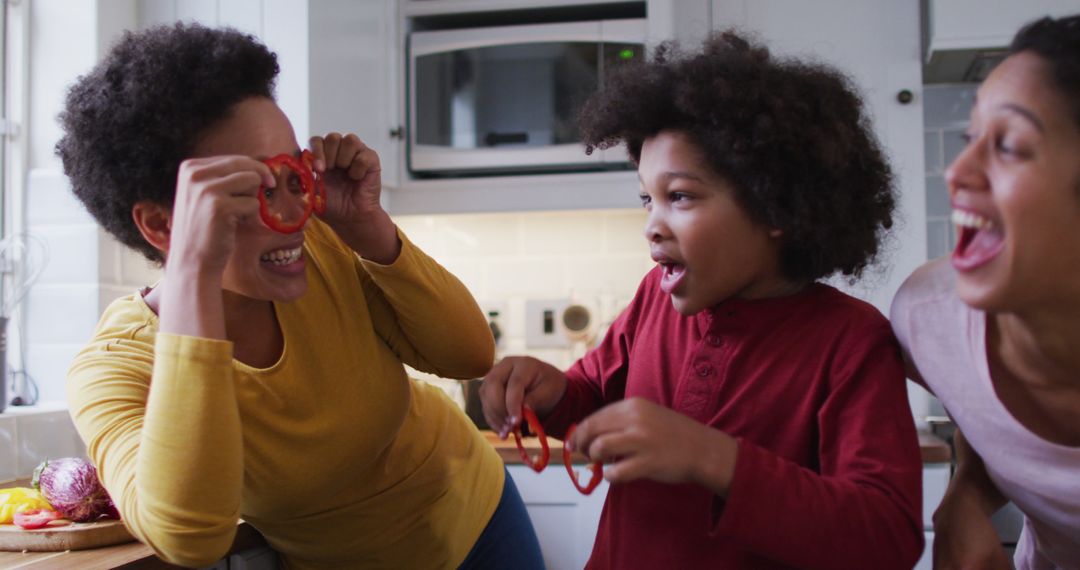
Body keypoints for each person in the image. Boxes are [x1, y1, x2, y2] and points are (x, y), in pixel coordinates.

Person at [57, 23, 542, 569]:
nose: (292, 217)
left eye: (293, 176)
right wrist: (194, 267)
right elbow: (189, 538)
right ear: (160, 223)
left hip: (480, 515)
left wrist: (367, 226)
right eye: (252, 191)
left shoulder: (325, 246)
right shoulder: (115, 369)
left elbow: (468, 356)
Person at [480, 31, 923, 569]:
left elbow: (886, 536)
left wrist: (712, 458)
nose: (651, 226)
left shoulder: (851, 341)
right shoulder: (654, 301)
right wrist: (549, 393)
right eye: (647, 198)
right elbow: (595, 398)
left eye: (680, 196)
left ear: (776, 206)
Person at [890, 14, 1080, 570]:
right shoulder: (930, 319)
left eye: (1012, 145)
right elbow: (974, 406)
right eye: (971, 138)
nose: (957, 171)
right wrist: (967, 497)